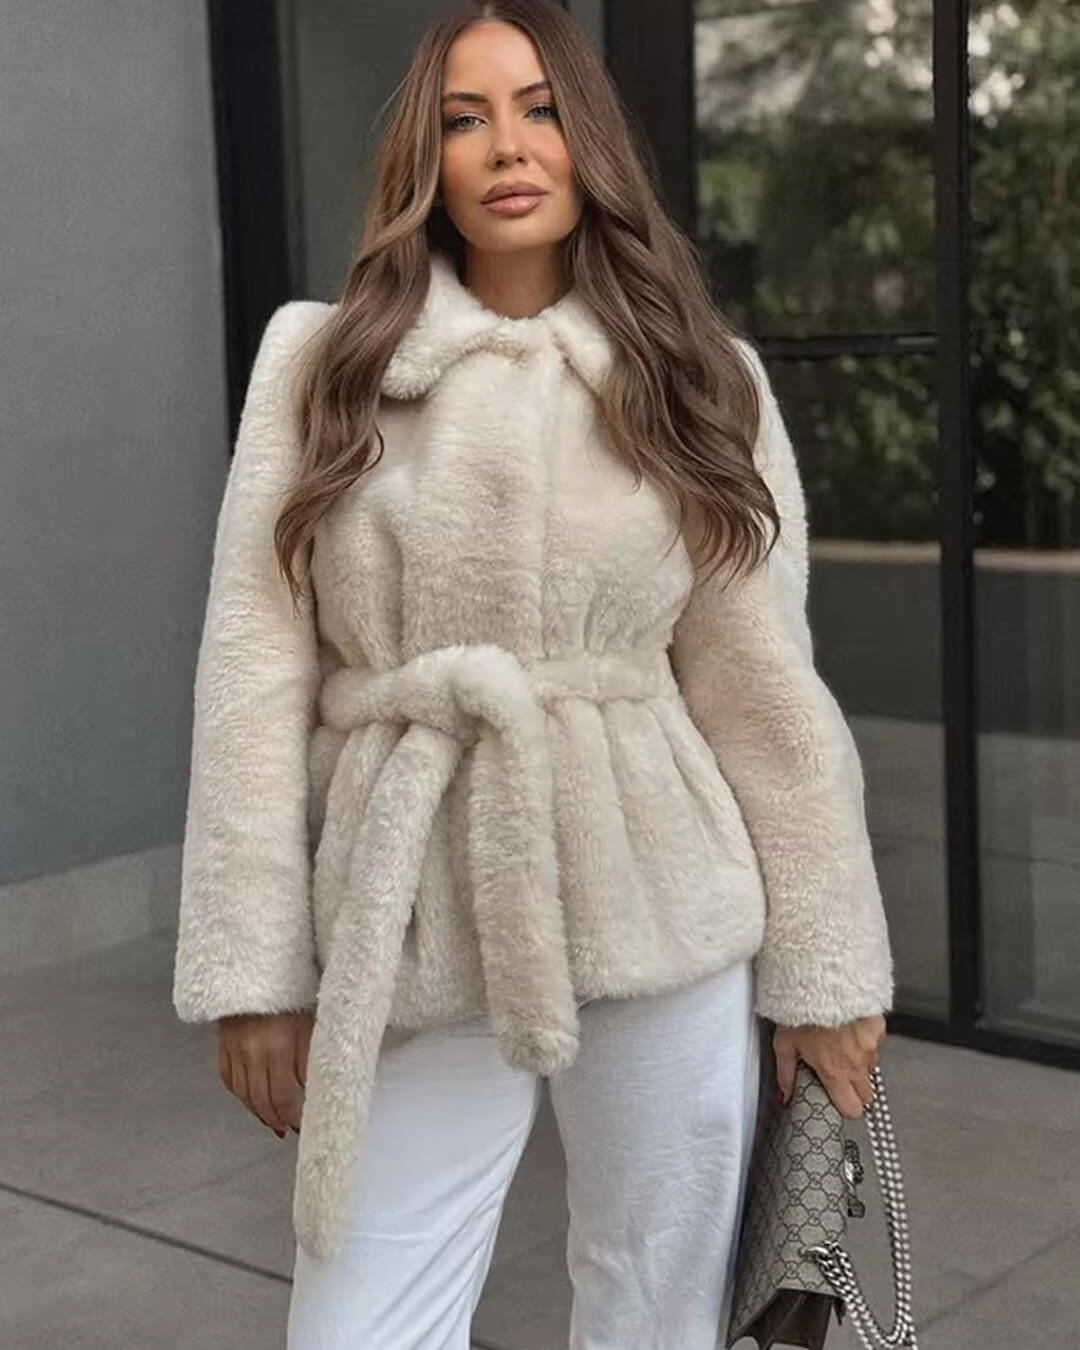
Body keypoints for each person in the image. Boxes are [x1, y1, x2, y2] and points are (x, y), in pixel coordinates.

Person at [171, 1, 894, 1346]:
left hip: (661, 899)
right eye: (466, 118)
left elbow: (763, 692)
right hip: (412, 907)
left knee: (658, 1309)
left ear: (589, 142)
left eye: (540, 109)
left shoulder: (700, 379)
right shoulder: (320, 365)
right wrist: (253, 966)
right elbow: (252, 675)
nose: (507, 145)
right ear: (427, 160)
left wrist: (828, 966)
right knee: (357, 1324)